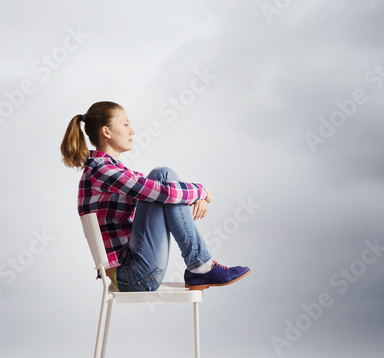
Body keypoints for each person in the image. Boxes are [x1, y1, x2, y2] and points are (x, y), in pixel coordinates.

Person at [60, 101, 249, 292]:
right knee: (163, 178)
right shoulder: (102, 170)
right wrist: (203, 191)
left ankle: (200, 267)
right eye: (125, 124)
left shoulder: (107, 168)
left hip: (134, 268)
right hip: (134, 276)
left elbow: (158, 189)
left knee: (162, 177)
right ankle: (201, 267)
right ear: (107, 132)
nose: (132, 131)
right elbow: (162, 192)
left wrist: (193, 196)